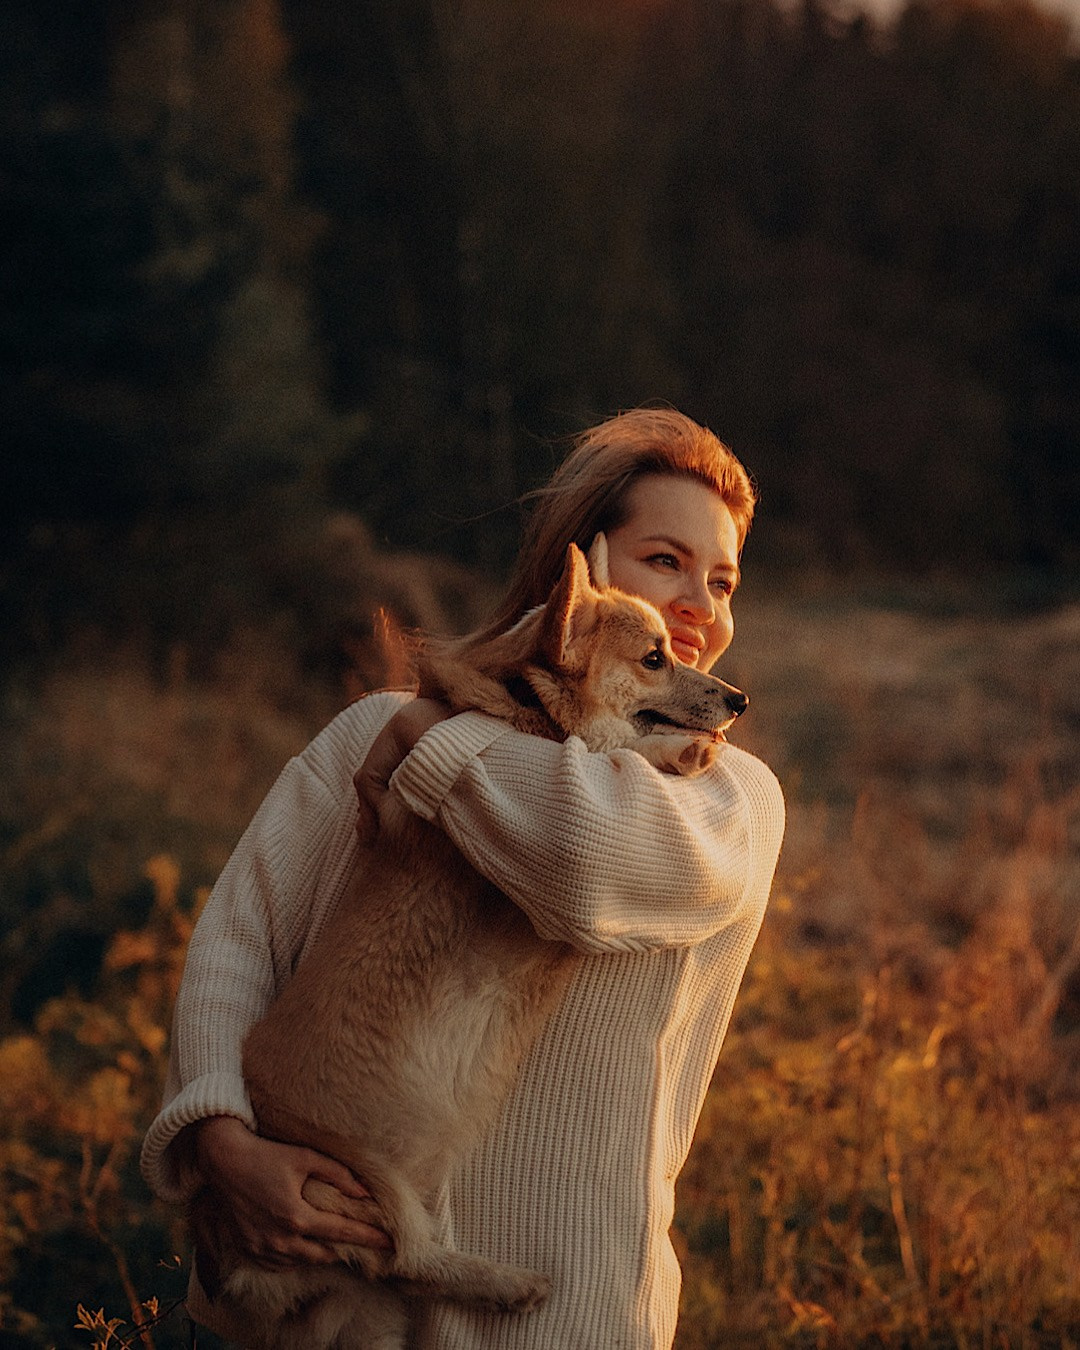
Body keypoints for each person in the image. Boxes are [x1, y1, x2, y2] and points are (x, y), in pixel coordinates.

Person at [140, 407, 786, 1349]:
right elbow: (241, 937)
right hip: (308, 1313)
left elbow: (578, 863)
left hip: (563, 1323)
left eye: (723, 581)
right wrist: (220, 1145)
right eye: (665, 562)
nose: (698, 603)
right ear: (583, 576)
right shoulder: (371, 734)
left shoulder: (727, 801)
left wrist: (441, 743)